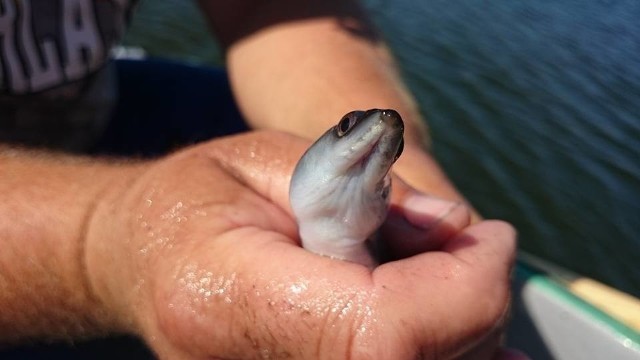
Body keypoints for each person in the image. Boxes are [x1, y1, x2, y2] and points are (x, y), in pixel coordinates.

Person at [0, 0, 525, 358]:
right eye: (349, 129)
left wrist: (426, 209)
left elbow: (269, 8)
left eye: (384, 174)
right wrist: (98, 241)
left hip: (98, 104)